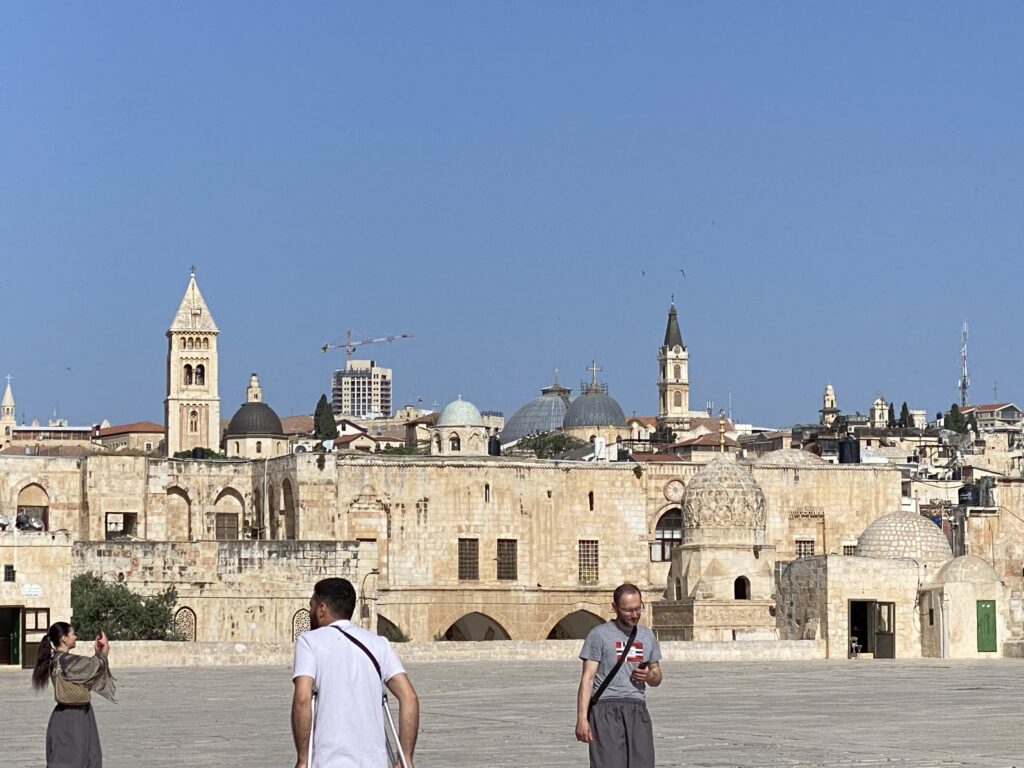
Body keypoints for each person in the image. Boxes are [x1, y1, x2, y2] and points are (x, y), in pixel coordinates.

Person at [292, 577, 419, 768]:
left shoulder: (309, 642)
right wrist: (406, 756)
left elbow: (303, 699)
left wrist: (303, 759)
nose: (310, 611)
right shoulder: (379, 643)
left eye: (311, 606)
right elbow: (409, 697)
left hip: (329, 762)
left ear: (321, 609)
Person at [575, 583, 662, 768]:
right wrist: (582, 719)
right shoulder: (599, 635)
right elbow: (587, 678)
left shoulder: (647, 636)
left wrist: (648, 676)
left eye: (638, 608)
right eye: (628, 610)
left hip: (637, 709)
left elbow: (657, 677)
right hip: (606, 709)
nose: (634, 614)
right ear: (614, 608)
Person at [31, 622, 116, 768]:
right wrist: (104, 652)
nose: (75, 636)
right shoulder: (65, 661)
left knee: (82, 756)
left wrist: (98, 655)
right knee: (71, 759)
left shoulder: (58, 660)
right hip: (72, 717)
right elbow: (92, 666)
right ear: (64, 638)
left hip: (72, 714)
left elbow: (88, 670)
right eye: (73, 634)